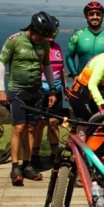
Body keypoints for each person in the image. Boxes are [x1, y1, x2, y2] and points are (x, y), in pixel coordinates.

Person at [0, 11, 57, 186]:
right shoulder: (14, 40)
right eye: (39, 35)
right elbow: (1, 63)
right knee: (19, 128)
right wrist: (1, 90)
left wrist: (52, 90)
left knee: (32, 128)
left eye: (44, 36)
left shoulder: (44, 44)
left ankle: (27, 165)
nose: (41, 39)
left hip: (36, 91)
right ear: (32, 28)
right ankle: (15, 166)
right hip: (18, 91)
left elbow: (47, 66)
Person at [31, 15, 66, 169]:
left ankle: (55, 154)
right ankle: (34, 155)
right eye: (50, 30)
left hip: (56, 91)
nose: (53, 33)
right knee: (39, 124)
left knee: (53, 123)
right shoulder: (38, 46)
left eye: (55, 30)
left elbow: (61, 69)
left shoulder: (57, 47)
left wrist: (65, 89)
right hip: (40, 91)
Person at [66, 1, 104, 85]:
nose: (95, 17)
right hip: (82, 82)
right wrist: (74, 74)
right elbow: (69, 57)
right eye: (91, 14)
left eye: (98, 14)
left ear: (102, 16)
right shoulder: (77, 35)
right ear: (86, 16)